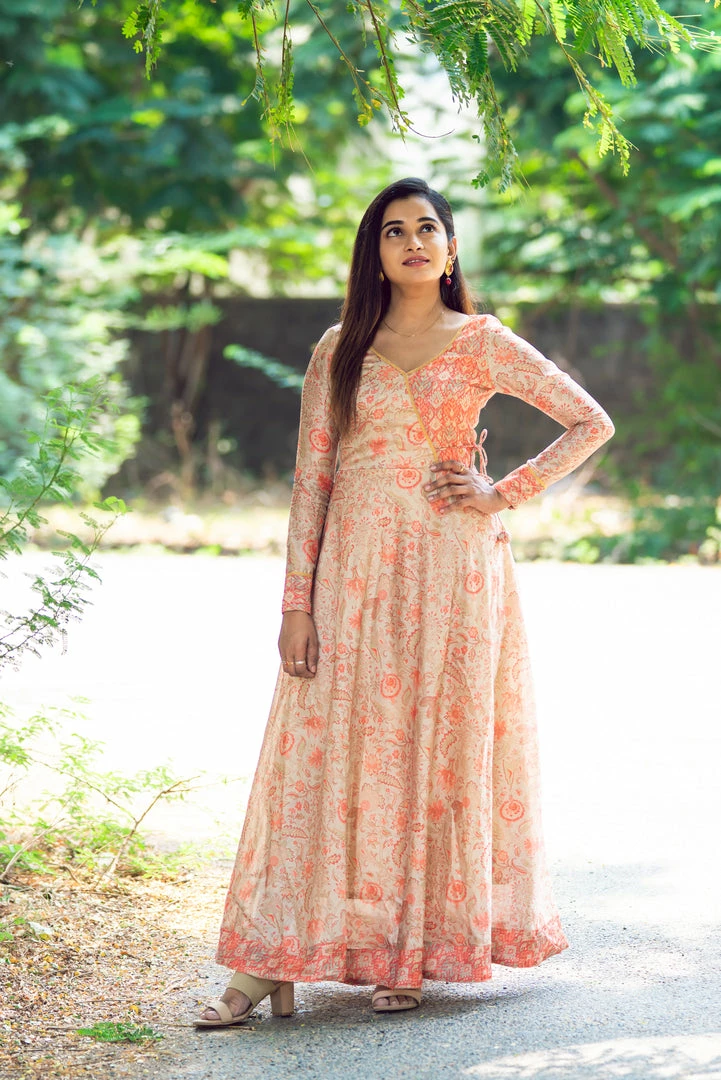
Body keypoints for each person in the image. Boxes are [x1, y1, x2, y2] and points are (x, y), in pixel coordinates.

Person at [197, 177, 615, 1026]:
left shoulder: (484, 341)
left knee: (430, 751)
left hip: (453, 570)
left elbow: (590, 423)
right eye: (394, 231)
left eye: (428, 228)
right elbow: (312, 477)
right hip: (351, 571)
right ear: (375, 253)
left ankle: (408, 952)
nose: (413, 242)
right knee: (318, 754)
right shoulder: (340, 348)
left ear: (451, 249)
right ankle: (268, 958)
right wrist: (294, 602)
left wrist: (501, 493)